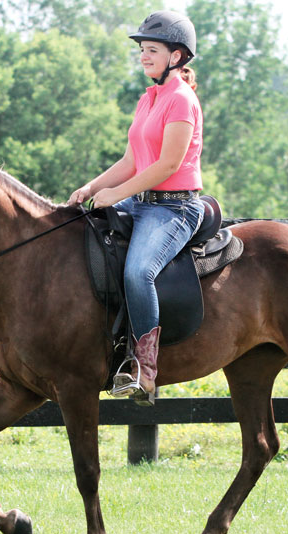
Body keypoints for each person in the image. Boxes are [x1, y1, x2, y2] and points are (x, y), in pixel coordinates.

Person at [69, 10, 204, 405]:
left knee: (138, 272)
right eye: (142, 50)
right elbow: (131, 160)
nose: (143, 57)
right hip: (140, 201)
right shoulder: (150, 98)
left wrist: (117, 193)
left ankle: (145, 371)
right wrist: (93, 187)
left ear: (176, 57)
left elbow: (168, 165)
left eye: (152, 50)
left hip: (173, 210)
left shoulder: (181, 100)